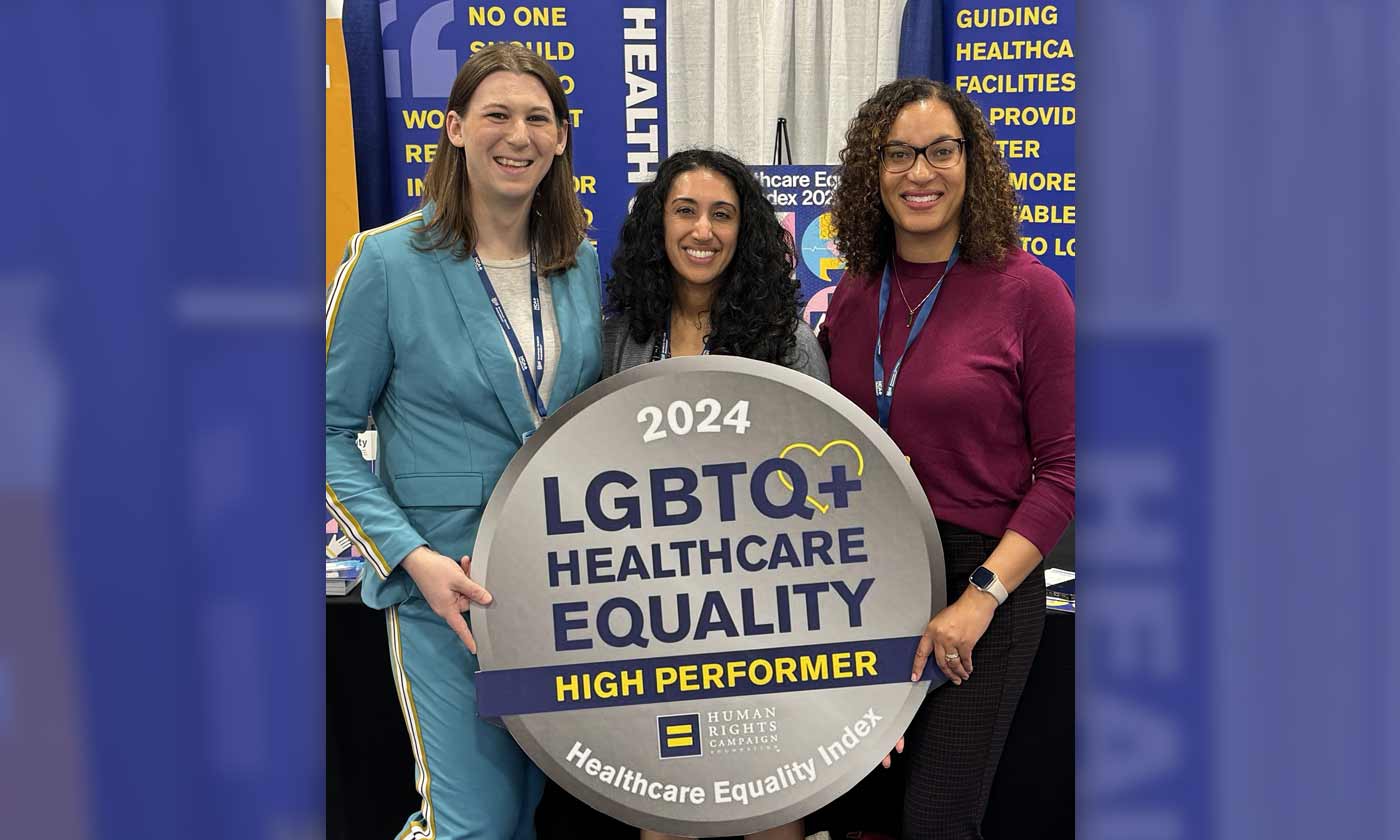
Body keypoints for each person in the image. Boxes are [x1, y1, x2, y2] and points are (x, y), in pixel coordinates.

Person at [325, 43, 601, 840]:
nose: (518, 135)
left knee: (520, 816)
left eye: (537, 119)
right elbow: (323, 430)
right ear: (453, 129)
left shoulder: (577, 262)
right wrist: (411, 558)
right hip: (445, 592)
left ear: (558, 140)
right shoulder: (384, 261)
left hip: (558, 591)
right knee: (470, 823)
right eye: (497, 115)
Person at [820, 78, 1075, 839]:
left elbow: (1065, 471)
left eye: (940, 151)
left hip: (980, 581)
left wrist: (982, 597)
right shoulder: (853, 295)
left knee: (936, 820)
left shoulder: (1032, 293)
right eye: (898, 153)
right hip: (868, 574)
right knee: (861, 812)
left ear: (972, 163)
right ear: (874, 170)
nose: (920, 172)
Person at [600, 148, 828, 385]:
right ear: (658, 223)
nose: (702, 231)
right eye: (685, 211)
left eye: (721, 215)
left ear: (744, 230)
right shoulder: (619, 337)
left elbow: (817, 422)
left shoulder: (791, 343)